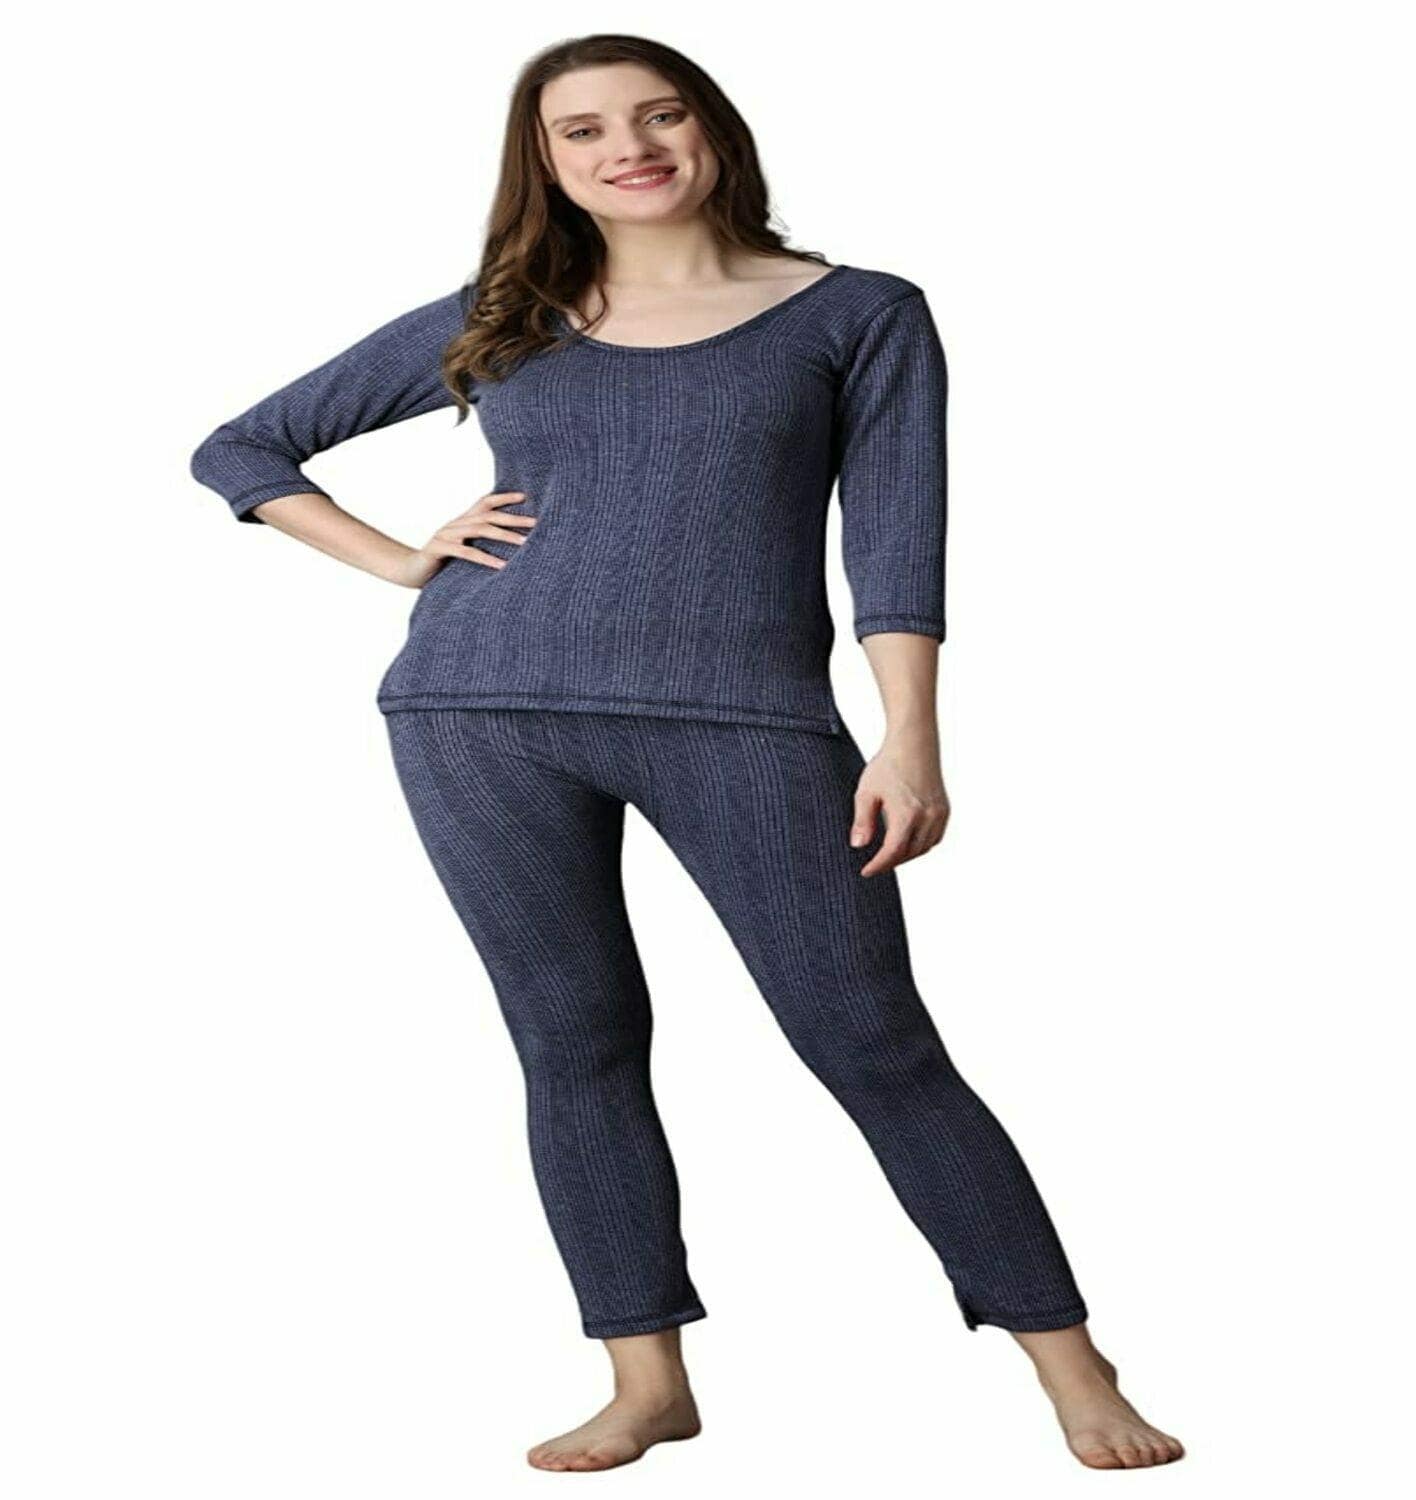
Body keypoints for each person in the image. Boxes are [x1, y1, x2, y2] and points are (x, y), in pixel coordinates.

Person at [189, 31, 1183, 1476]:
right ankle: (645, 1379)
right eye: (583, 131)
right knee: (574, 1040)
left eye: (658, 117)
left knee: (872, 1041)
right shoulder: (506, 313)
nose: (628, 149)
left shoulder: (859, 313)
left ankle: (1075, 1369)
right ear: (547, 162)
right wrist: (403, 559)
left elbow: (895, 542)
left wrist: (909, 736)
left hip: (749, 724)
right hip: (481, 711)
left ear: (713, 129)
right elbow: (243, 447)